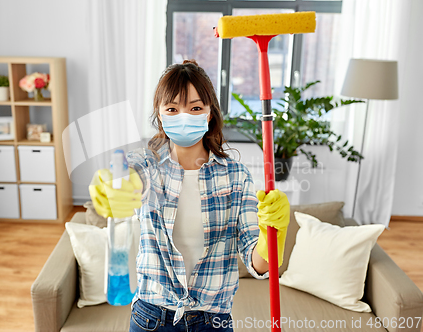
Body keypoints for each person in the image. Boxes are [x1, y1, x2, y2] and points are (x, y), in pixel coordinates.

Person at [90, 59, 290, 332]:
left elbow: (259, 264)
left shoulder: (236, 176)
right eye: (172, 108)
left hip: (213, 322)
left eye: (195, 108)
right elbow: (129, 178)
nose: (183, 117)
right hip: (151, 318)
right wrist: (112, 184)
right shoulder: (146, 166)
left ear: (209, 113)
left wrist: (271, 235)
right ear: (159, 115)